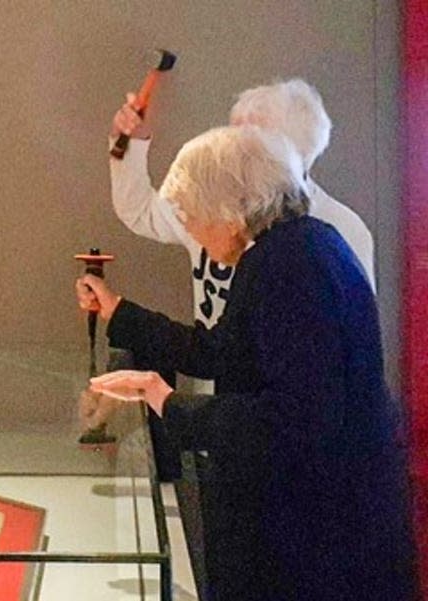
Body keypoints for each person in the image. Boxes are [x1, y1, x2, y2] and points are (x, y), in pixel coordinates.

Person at [79, 125, 417, 600]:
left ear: (230, 209)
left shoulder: (291, 266)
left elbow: (297, 417)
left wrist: (172, 404)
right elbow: (224, 351)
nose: (191, 230)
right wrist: (121, 317)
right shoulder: (296, 249)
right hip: (327, 520)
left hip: (320, 540)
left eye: (192, 215)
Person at [110, 78, 375, 341]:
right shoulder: (212, 206)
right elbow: (140, 211)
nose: (227, 150)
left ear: (287, 154)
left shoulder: (340, 229)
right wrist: (132, 143)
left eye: (245, 143)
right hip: (218, 375)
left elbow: (351, 336)